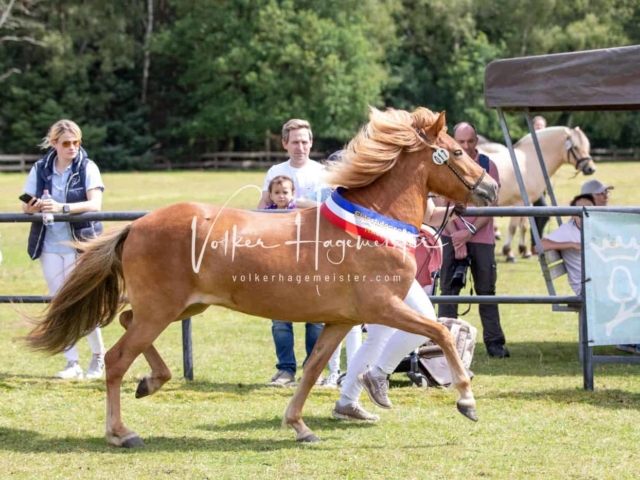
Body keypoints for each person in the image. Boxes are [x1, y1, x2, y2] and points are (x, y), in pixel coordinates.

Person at [331, 200, 461, 421]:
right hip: (384, 260)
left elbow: (430, 215)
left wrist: (456, 208)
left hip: (392, 259)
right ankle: (378, 374)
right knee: (424, 322)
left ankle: (346, 402)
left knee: (380, 335)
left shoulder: (410, 177)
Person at [21, 119, 106, 379]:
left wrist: (62, 208)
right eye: (67, 143)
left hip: (80, 244)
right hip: (49, 245)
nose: (72, 147)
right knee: (60, 303)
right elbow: (25, 206)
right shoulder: (40, 167)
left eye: (76, 142)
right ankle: (72, 363)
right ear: (54, 143)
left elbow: (95, 204)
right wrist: (33, 207)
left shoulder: (87, 166)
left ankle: (99, 357)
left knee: (80, 301)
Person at [258, 119, 325, 386]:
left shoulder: (322, 171)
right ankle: (285, 370)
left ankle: (313, 369)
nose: (301, 146)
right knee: (280, 317)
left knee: (316, 317)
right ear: (285, 143)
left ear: (311, 142)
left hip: (315, 253)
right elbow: (263, 206)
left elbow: (328, 208)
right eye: (295, 141)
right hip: (281, 253)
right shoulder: (276, 170)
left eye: (305, 141)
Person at [438, 122, 509, 359]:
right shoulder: (445, 164)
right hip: (450, 233)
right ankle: (444, 345)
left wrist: (467, 234)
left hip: (481, 235)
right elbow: (440, 204)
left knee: (486, 290)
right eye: (461, 142)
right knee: (448, 290)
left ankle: (495, 343)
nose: (466, 146)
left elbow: (492, 205)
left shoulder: (488, 166)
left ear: (476, 141)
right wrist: (457, 237)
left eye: (470, 141)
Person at [540, 193, 595, 296]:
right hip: (587, 287)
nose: (583, 213)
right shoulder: (568, 230)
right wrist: (572, 245)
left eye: (588, 208)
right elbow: (540, 246)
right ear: (573, 213)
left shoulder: (595, 228)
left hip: (602, 280)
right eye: (579, 210)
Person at [530, 115, 549, 255]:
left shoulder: (545, 144)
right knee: (543, 211)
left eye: (542, 125)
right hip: (531, 184)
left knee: (540, 213)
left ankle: (535, 243)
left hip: (540, 185)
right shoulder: (529, 142)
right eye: (538, 125)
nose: (540, 128)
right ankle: (535, 243)